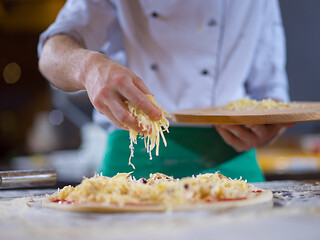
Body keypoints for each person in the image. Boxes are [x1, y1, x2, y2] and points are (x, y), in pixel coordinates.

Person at [38, 0, 291, 182]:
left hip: (232, 158)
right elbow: (51, 54)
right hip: (133, 160)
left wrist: (267, 129)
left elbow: (270, 92)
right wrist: (89, 68)